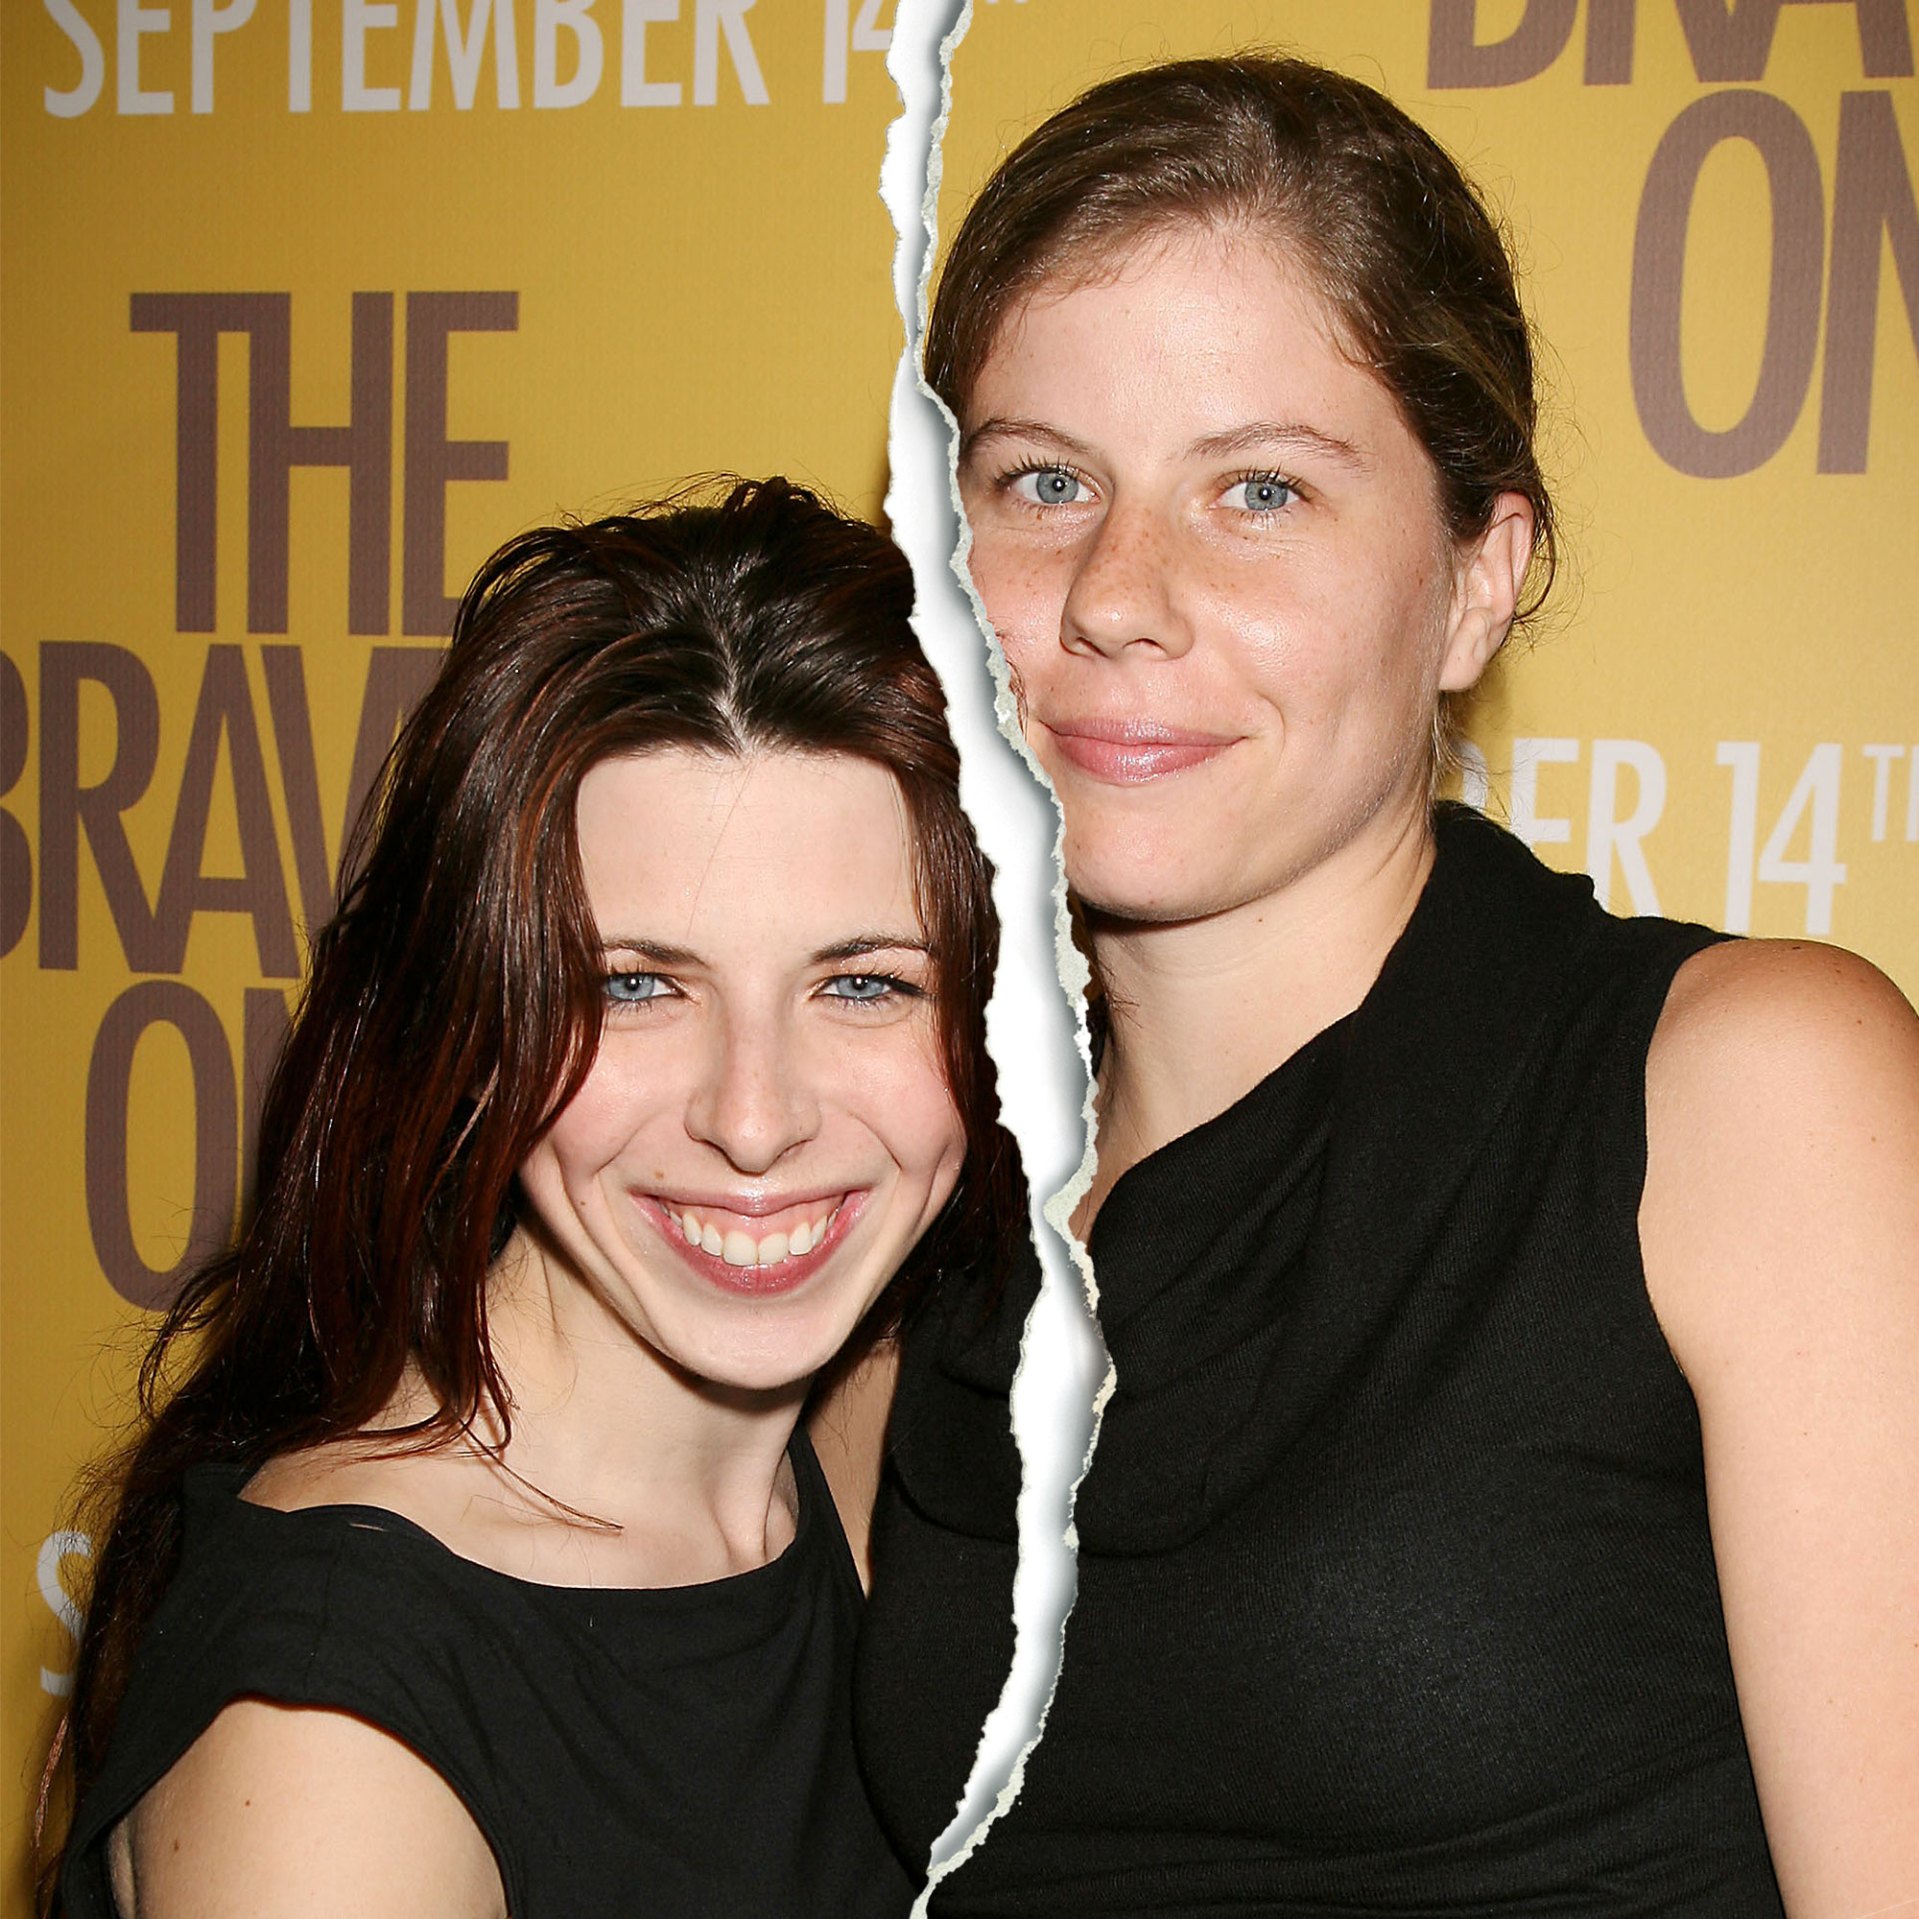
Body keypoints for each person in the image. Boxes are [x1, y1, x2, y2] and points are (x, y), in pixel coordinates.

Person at [849, 54, 1919, 1916]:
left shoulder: (1745, 1097)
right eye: (1042, 481)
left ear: (1478, 579)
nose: (1117, 592)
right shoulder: (907, 1187)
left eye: (1259, 489)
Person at [43, 478, 1022, 1919]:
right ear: (478, 1018)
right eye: (633, 987)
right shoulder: (327, 1763)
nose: (755, 1121)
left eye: (865, 984)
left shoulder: (894, 1431)